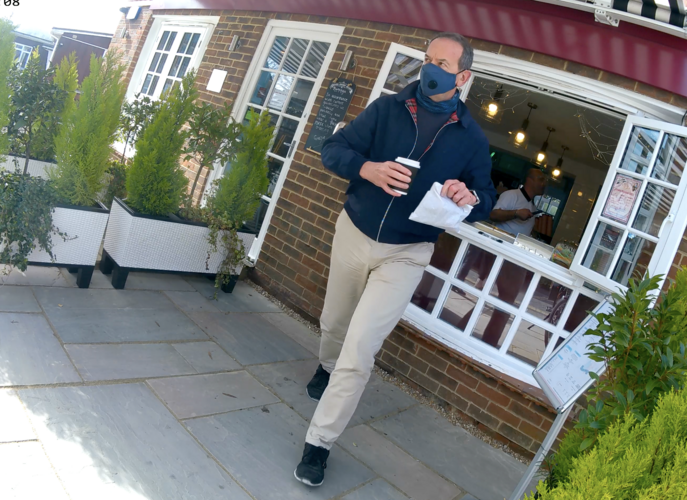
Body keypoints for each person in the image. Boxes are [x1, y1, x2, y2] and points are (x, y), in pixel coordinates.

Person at [293, 32, 497, 487]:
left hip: (408, 252)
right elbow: (333, 149)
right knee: (334, 323)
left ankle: (319, 443)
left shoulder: (471, 139)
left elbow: (485, 198)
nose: (430, 69)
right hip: (355, 232)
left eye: (442, 63)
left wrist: (470, 196)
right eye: (428, 59)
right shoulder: (387, 108)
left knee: (360, 349)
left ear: (462, 77)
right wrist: (367, 168)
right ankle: (326, 365)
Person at [489, 167, 547, 237]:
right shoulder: (512, 195)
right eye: (541, 180)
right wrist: (516, 213)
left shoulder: (533, 206)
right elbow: (493, 215)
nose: (544, 184)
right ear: (529, 180)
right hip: (500, 241)